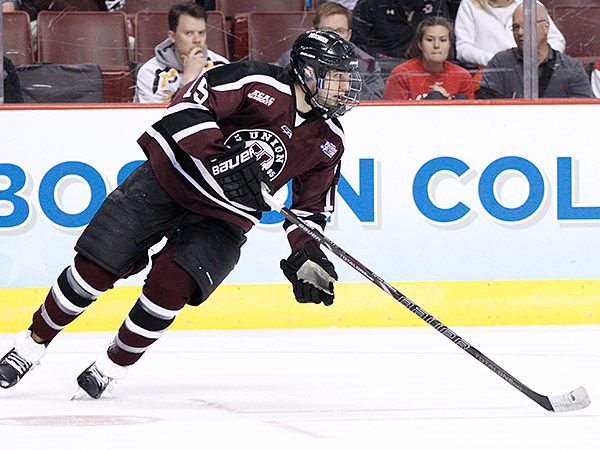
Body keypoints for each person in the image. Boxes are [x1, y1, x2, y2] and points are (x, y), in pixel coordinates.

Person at [0, 30, 362, 399]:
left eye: (347, 78)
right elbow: (186, 106)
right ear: (306, 71)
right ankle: (30, 346)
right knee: (94, 270)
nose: (345, 88)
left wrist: (307, 253)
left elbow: (309, 210)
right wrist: (220, 157)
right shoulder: (256, 81)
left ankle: (112, 366)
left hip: (225, 217)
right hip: (169, 180)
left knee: (171, 288)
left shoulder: (330, 139)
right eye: (336, 77)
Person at [477, 3, 593, 98]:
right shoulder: (500, 63)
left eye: (527, 25)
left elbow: (583, 111)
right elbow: (487, 109)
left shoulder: (571, 68)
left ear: (546, 27)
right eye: (516, 27)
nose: (520, 32)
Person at [276, 1, 384, 100]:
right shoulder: (292, 59)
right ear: (314, 32)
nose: (334, 36)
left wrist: (348, 77)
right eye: (327, 30)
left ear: (349, 35)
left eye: (340, 31)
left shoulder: (368, 63)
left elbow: (376, 104)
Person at [134, 2, 228, 103]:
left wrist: (175, 97)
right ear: (172, 36)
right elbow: (159, 113)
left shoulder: (222, 66)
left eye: (201, 33)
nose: (197, 40)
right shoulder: (150, 72)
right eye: (189, 33)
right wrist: (188, 79)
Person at [384, 16, 475, 100]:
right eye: (430, 40)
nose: (436, 45)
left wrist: (448, 102)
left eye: (443, 40)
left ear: (449, 45)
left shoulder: (462, 76)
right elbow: (393, 111)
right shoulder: (402, 74)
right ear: (420, 44)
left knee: (461, 99)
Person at [454, 0, 565, 68]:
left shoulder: (528, 3)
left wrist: (539, 59)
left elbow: (557, 41)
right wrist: (498, 61)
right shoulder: (469, 4)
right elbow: (463, 49)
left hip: (533, 70)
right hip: (492, 72)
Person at [350, 0, 450, 61]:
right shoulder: (369, 4)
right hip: (381, 69)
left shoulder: (436, 3)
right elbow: (358, 46)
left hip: (425, 68)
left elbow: (446, 42)